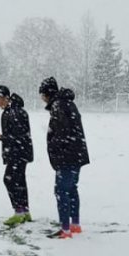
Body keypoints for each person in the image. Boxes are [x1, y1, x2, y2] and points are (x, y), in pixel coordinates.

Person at [39, 76, 90, 239]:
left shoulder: (58, 105)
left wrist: (55, 149)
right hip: (77, 154)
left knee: (61, 191)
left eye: (42, 94)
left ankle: (65, 229)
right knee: (72, 189)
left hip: (67, 157)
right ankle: (75, 224)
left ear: (47, 93)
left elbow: (61, 133)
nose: (42, 98)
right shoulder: (67, 103)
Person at [0, 85, 33, 227]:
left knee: (10, 180)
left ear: (4, 97)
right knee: (19, 181)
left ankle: (19, 212)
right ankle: (25, 211)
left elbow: (18, 137)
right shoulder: (16, 110)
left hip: (17, 153)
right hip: (21, 152)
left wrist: (0, 137)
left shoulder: (13, 112)